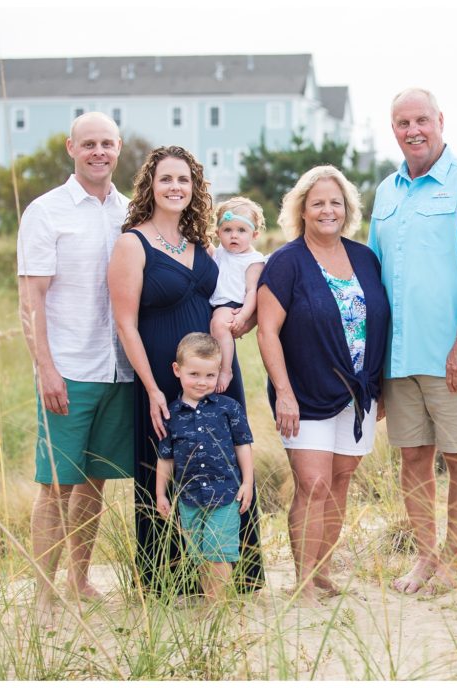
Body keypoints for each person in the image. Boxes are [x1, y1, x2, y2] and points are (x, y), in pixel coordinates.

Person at [108, 145, 263, 595]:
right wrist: (154, 389)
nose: (175, 187)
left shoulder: (206, 247)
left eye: (184, 180)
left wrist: (242, 322)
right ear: (150, 187)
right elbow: (125, 323)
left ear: (194, 189)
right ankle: (170, 581)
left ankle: (235, 577)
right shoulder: (131, 244)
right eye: (166, 179)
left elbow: (233, 299)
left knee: (227, 462)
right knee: (170, 467)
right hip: (163, 376)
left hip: (213, 376)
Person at [368, 88, 457, 594]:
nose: (412, 131)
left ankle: (452, 558)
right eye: (402, 122)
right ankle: (426, 557)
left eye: (421, 120)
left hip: (454, 358)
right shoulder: (386, 191)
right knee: (413, 458)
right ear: (394, 129)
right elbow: (375, 275)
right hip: (400, 357)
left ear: (440, 121)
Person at [17, 111, 133, 620]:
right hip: (69, 370)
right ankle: (44, 595)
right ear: (71, 148)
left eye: (107, 143)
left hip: (118, 371)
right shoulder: (46, 212)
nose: (98, 152)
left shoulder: (130, 212)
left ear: (119, 147)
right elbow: (31, 300)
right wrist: (45, 368)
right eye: (89, 144)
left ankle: (80, 579)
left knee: (93, 482)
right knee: (56, 484)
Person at [257, 165, 389, 606]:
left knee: (340, 481)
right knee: (312, 484)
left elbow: (378, 324)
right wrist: (285, 392)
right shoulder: (286, 262)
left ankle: (324, 571)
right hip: (305, 395)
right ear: (302, 210)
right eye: (318, 203)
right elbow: (267, 331)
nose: (327, 210)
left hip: (359, 394)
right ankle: (303, 580)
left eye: (335, 202)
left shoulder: (365, 258)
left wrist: (380, 387)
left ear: (347, 209)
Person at [155, 333, 255, 602]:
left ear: (219, 372)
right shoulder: (170, 414)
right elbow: (166, 457)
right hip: (189, 497)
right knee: (199, 553)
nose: (202, 382)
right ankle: (211, 599)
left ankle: (217, 605)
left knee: (219, 550)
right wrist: (161, 494)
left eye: (210, 376)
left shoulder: (228, 408)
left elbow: (243, 445)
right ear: (177, 370)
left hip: (225, 494)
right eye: (194, 374)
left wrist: (247, 482)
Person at [209, 197, 266, 393]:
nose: (234, 236)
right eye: (227, 230)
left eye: (242, 231)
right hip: (217, 303)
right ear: (218, 233)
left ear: (254, 234)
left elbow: (252, 292)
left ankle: (226, 370)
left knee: (218, 325)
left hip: (233, 305)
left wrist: (243, 316)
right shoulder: (220, 252)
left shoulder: (253, 260)